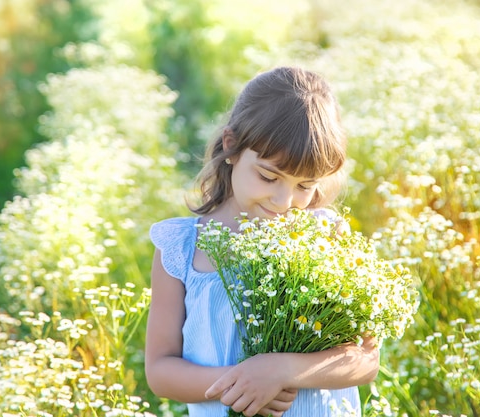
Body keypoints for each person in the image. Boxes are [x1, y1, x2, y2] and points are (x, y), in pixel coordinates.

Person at [145, 67, 380, 417]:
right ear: (232, 147)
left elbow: (365, 361)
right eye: (269, 177)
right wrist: (243, 383)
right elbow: (161, 370)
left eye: (305, 186)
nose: (284, 202)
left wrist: (282, 371)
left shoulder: (325, 235)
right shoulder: (182, 247)